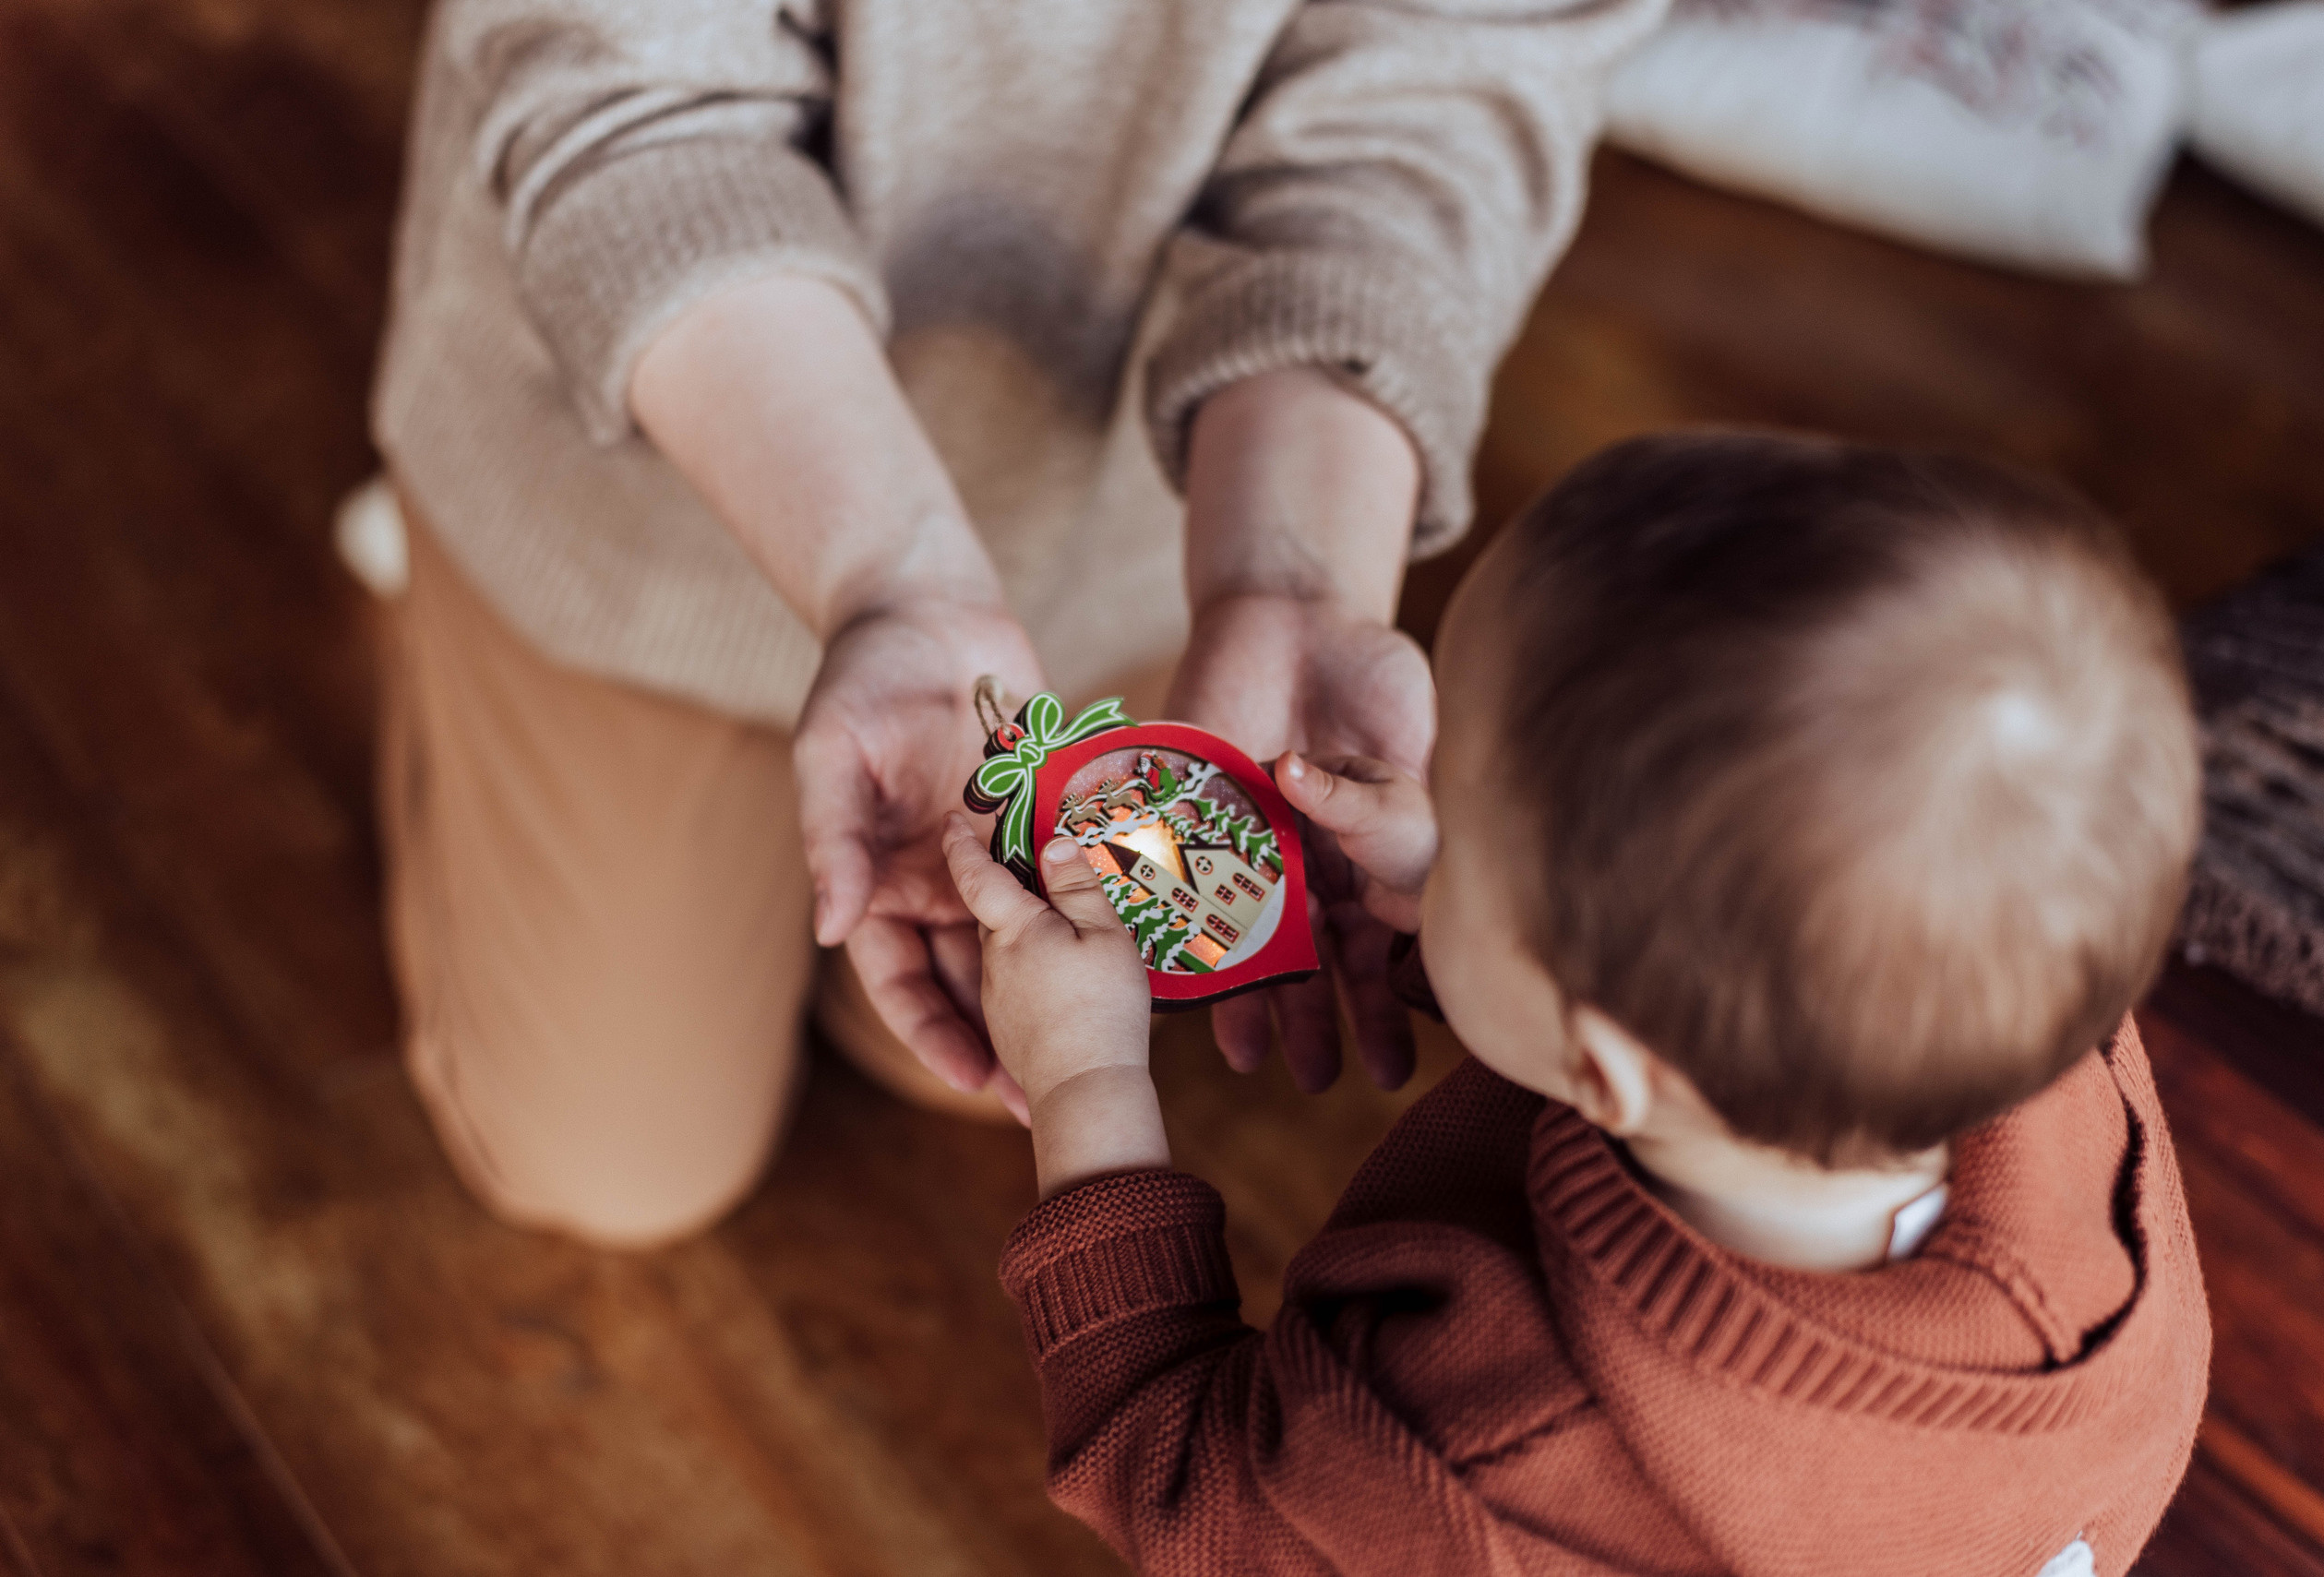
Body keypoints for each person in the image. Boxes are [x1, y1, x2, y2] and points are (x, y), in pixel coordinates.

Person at [365, 0, 1671, 1244]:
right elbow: (628, 106)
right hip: (643, 491)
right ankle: (425, 590)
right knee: (612, 1170)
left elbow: (1436, 106)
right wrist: (889, 570)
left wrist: (1291, 579)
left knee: (968, 1050)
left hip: (1137, 516)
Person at [948, 433, 2211, 1576]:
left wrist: (1086, 1080)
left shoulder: (1478, 1446)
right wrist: (1480, 905)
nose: (1428, 799)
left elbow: (1183, 1480)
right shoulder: (2037, 1031)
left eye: (1471, 823)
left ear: (1602, 1062)